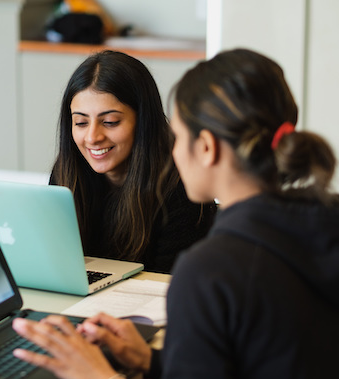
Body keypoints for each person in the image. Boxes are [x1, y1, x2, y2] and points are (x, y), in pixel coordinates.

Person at [13, 48, 339, 379]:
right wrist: (151, 361)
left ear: (206, 148)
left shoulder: (212, 270)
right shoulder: (331, 232)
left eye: (179, 136)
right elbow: (271, 370)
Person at [49, 50, 216, 274]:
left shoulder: (181, 186)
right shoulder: (68, 172)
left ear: (143, 121)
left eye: (110, 122)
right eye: (80, 122)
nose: (92, 137)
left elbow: (168, 286)